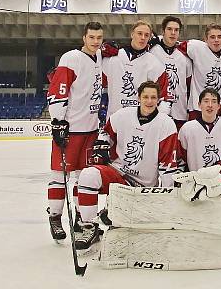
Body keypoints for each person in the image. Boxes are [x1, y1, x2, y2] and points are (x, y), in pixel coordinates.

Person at [73, 81, 179, 249]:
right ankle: (89, 227)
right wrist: (102, 144)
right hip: (117, 175)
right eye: (145, 97)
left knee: (125, 227)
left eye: (153, 97)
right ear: (138, 97)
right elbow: (105, 133)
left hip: (144, 188)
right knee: (87, 176)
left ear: (158, 99)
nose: (149, 101)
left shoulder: (166, 124)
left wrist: (166, 197)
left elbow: (168, 165)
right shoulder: (122, 116)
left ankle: (113, 211)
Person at [45, 21, 106, 242]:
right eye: (92, 37)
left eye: (99, 38)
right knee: (60, 176)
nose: (96, 42)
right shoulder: (71, 58)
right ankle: (55, 216)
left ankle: (82, 218)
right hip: (70, 129)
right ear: (84, 38)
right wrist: (58, 121)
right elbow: (59, 88)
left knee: (84, 178)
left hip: (90, 130)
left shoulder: (98, 57)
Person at [102, 20, 168, 116]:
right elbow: (98, 80)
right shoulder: (114, 56)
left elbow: (163, 95)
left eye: (146, 35)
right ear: (132, 34)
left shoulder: (154, 63)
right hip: (114, 117)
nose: (142, 38)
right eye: (139, 33)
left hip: (139, 120)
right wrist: (101, 51)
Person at [180, 23, 221, 117]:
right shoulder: (196, 48)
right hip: (198, 107)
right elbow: (176, 46)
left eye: (219, 37)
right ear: (205, 39)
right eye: (212, 37)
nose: (216, 40)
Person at [177, 88, 221, 171]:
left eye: (214, 101)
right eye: (206, 101)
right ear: (199, 105)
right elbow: (181, 158)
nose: (210, 105)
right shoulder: (187, 128)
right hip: (196, 179)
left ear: (219, 106)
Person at [149, 16, 193, 127]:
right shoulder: (152, 51)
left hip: (179, 112)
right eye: (169, 29)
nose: (173, 33)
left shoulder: (185, 56)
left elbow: (188, 85)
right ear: (163, 31)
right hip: (155, 109)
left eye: (176, 30)